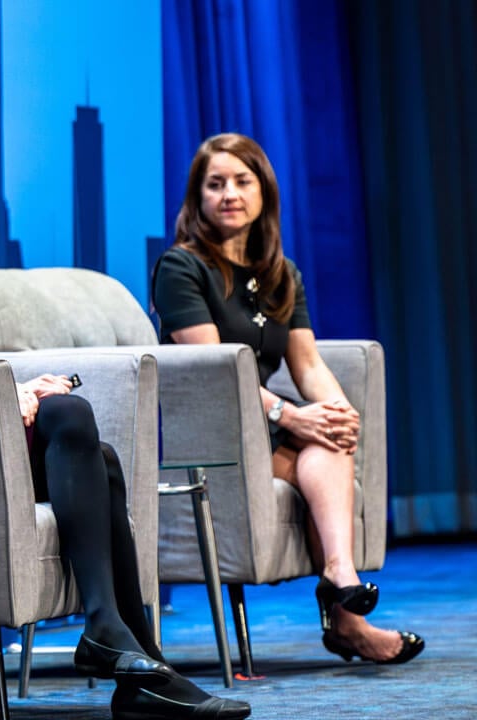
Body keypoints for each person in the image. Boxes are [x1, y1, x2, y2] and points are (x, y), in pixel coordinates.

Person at [0, 106, 251, 720]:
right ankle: (131, 655)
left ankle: (123, 649)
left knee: (82, 432)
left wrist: (13, 391)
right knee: (90, 446)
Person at [151, 132, 424, 666]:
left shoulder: (282, 273)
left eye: (242, 182)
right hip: (208, 427)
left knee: (328, 439)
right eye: (215, 184)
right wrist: (290, 413)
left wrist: (337, 412)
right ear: (198, 198)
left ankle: (342, 583)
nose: (229, 193)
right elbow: (214, 370)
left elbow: (307, 363)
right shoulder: (180, 268)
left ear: (264, 193)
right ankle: (347, 614)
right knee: (312, 438)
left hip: (266, 418)